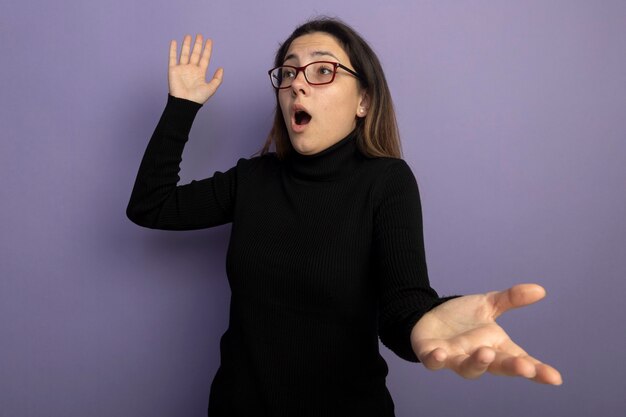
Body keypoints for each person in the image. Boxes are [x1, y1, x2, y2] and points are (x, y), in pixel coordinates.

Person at [127, 17, 562, 417]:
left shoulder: (386, 181)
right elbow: (151, 205)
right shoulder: (253, 179)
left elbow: (401, 308)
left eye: (322, 70)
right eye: (289, 72)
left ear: (363, 101)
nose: (298, 85)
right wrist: (181, 105)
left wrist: (426, 323)